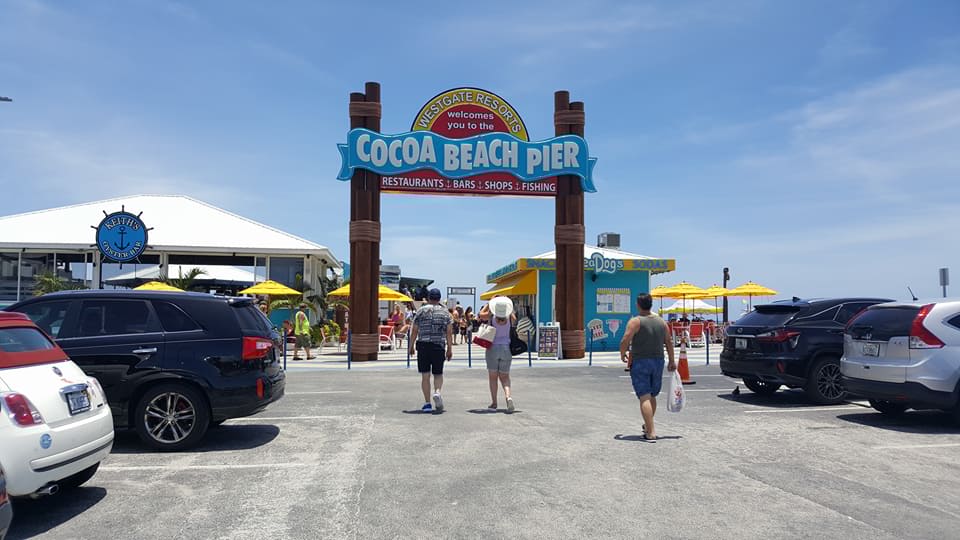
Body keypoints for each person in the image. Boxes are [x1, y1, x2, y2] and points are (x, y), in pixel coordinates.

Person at [620, 293, 676, 441]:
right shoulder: (661, 322)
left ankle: (651, 432)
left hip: (640, 362)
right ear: (651, 305)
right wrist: (672, 360)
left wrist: (622, 353)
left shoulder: (635, 321)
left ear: (638, 305)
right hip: (658, 361)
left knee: (644, 396)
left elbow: (625, 339)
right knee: (652, 395)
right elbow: (669, 342)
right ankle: (648, 425)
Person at [409, 288, 453, 412]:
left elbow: (414, 330)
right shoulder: (445, 313)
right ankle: (437, 392)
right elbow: (449, 332)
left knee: (425, 375)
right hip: (438, 346)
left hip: (423, 345)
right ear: (439, 298)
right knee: (438, 374)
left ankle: (427, 403)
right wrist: (449, 349)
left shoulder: (421, 311)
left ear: (429, 298)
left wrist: (411, 346)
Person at [478, 296, 517, 412]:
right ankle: (508, 397)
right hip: (506, 349)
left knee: (493, 377)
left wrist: (489, 303)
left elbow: (480, 315)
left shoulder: (491, 317)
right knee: (505, 377)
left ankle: (494, 403)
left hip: (492, 348)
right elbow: (514, 317)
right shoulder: (510, 318)